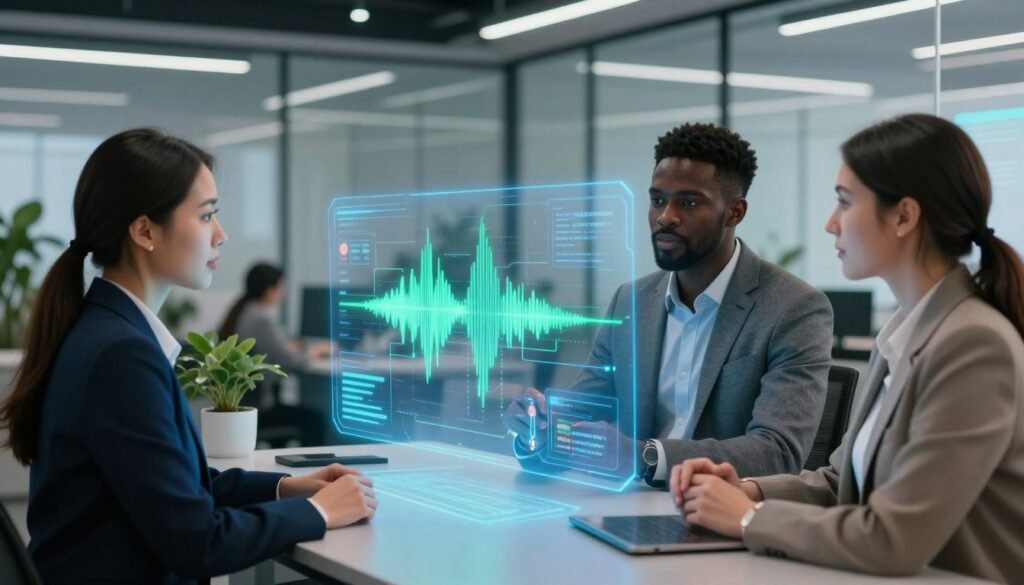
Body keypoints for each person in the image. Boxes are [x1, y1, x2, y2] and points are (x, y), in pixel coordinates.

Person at [0, 128, 377, 583]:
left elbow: (175, 487)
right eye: (205, 216)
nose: (221, 234)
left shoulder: (106, 331)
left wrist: (285, 487)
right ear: (144, 231)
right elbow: (198, 541)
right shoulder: (120, 355)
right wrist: (317, 511)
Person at [670, 114, 1024, 584]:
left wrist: (747, 519)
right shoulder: (906, 332)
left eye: (844, 202)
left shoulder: (973, 344)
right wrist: (749, 490)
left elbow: (893, 539)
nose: (830, 223)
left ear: (903, 216)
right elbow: (842, 484)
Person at [504, 123, 834, 484]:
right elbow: (577, 421)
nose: (665, 216)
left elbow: (778, 451)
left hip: (721, 518)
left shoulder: (794, 308)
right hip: (627, 508)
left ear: (734, 213)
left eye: (689, 203)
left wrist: (645, 456)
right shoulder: (630, 302)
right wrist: (535, 430)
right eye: (658, 200)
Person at [217, 262, 330, 447]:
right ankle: (311, 469)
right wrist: (316, 350)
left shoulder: (245, 310)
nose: (282, 294)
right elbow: (291, 362)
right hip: (261, 409)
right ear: (270, 289)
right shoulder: (261, 319)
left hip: (246, 405)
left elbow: (273, 350)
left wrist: (292, 346)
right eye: (281, 287)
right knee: (316, 419)